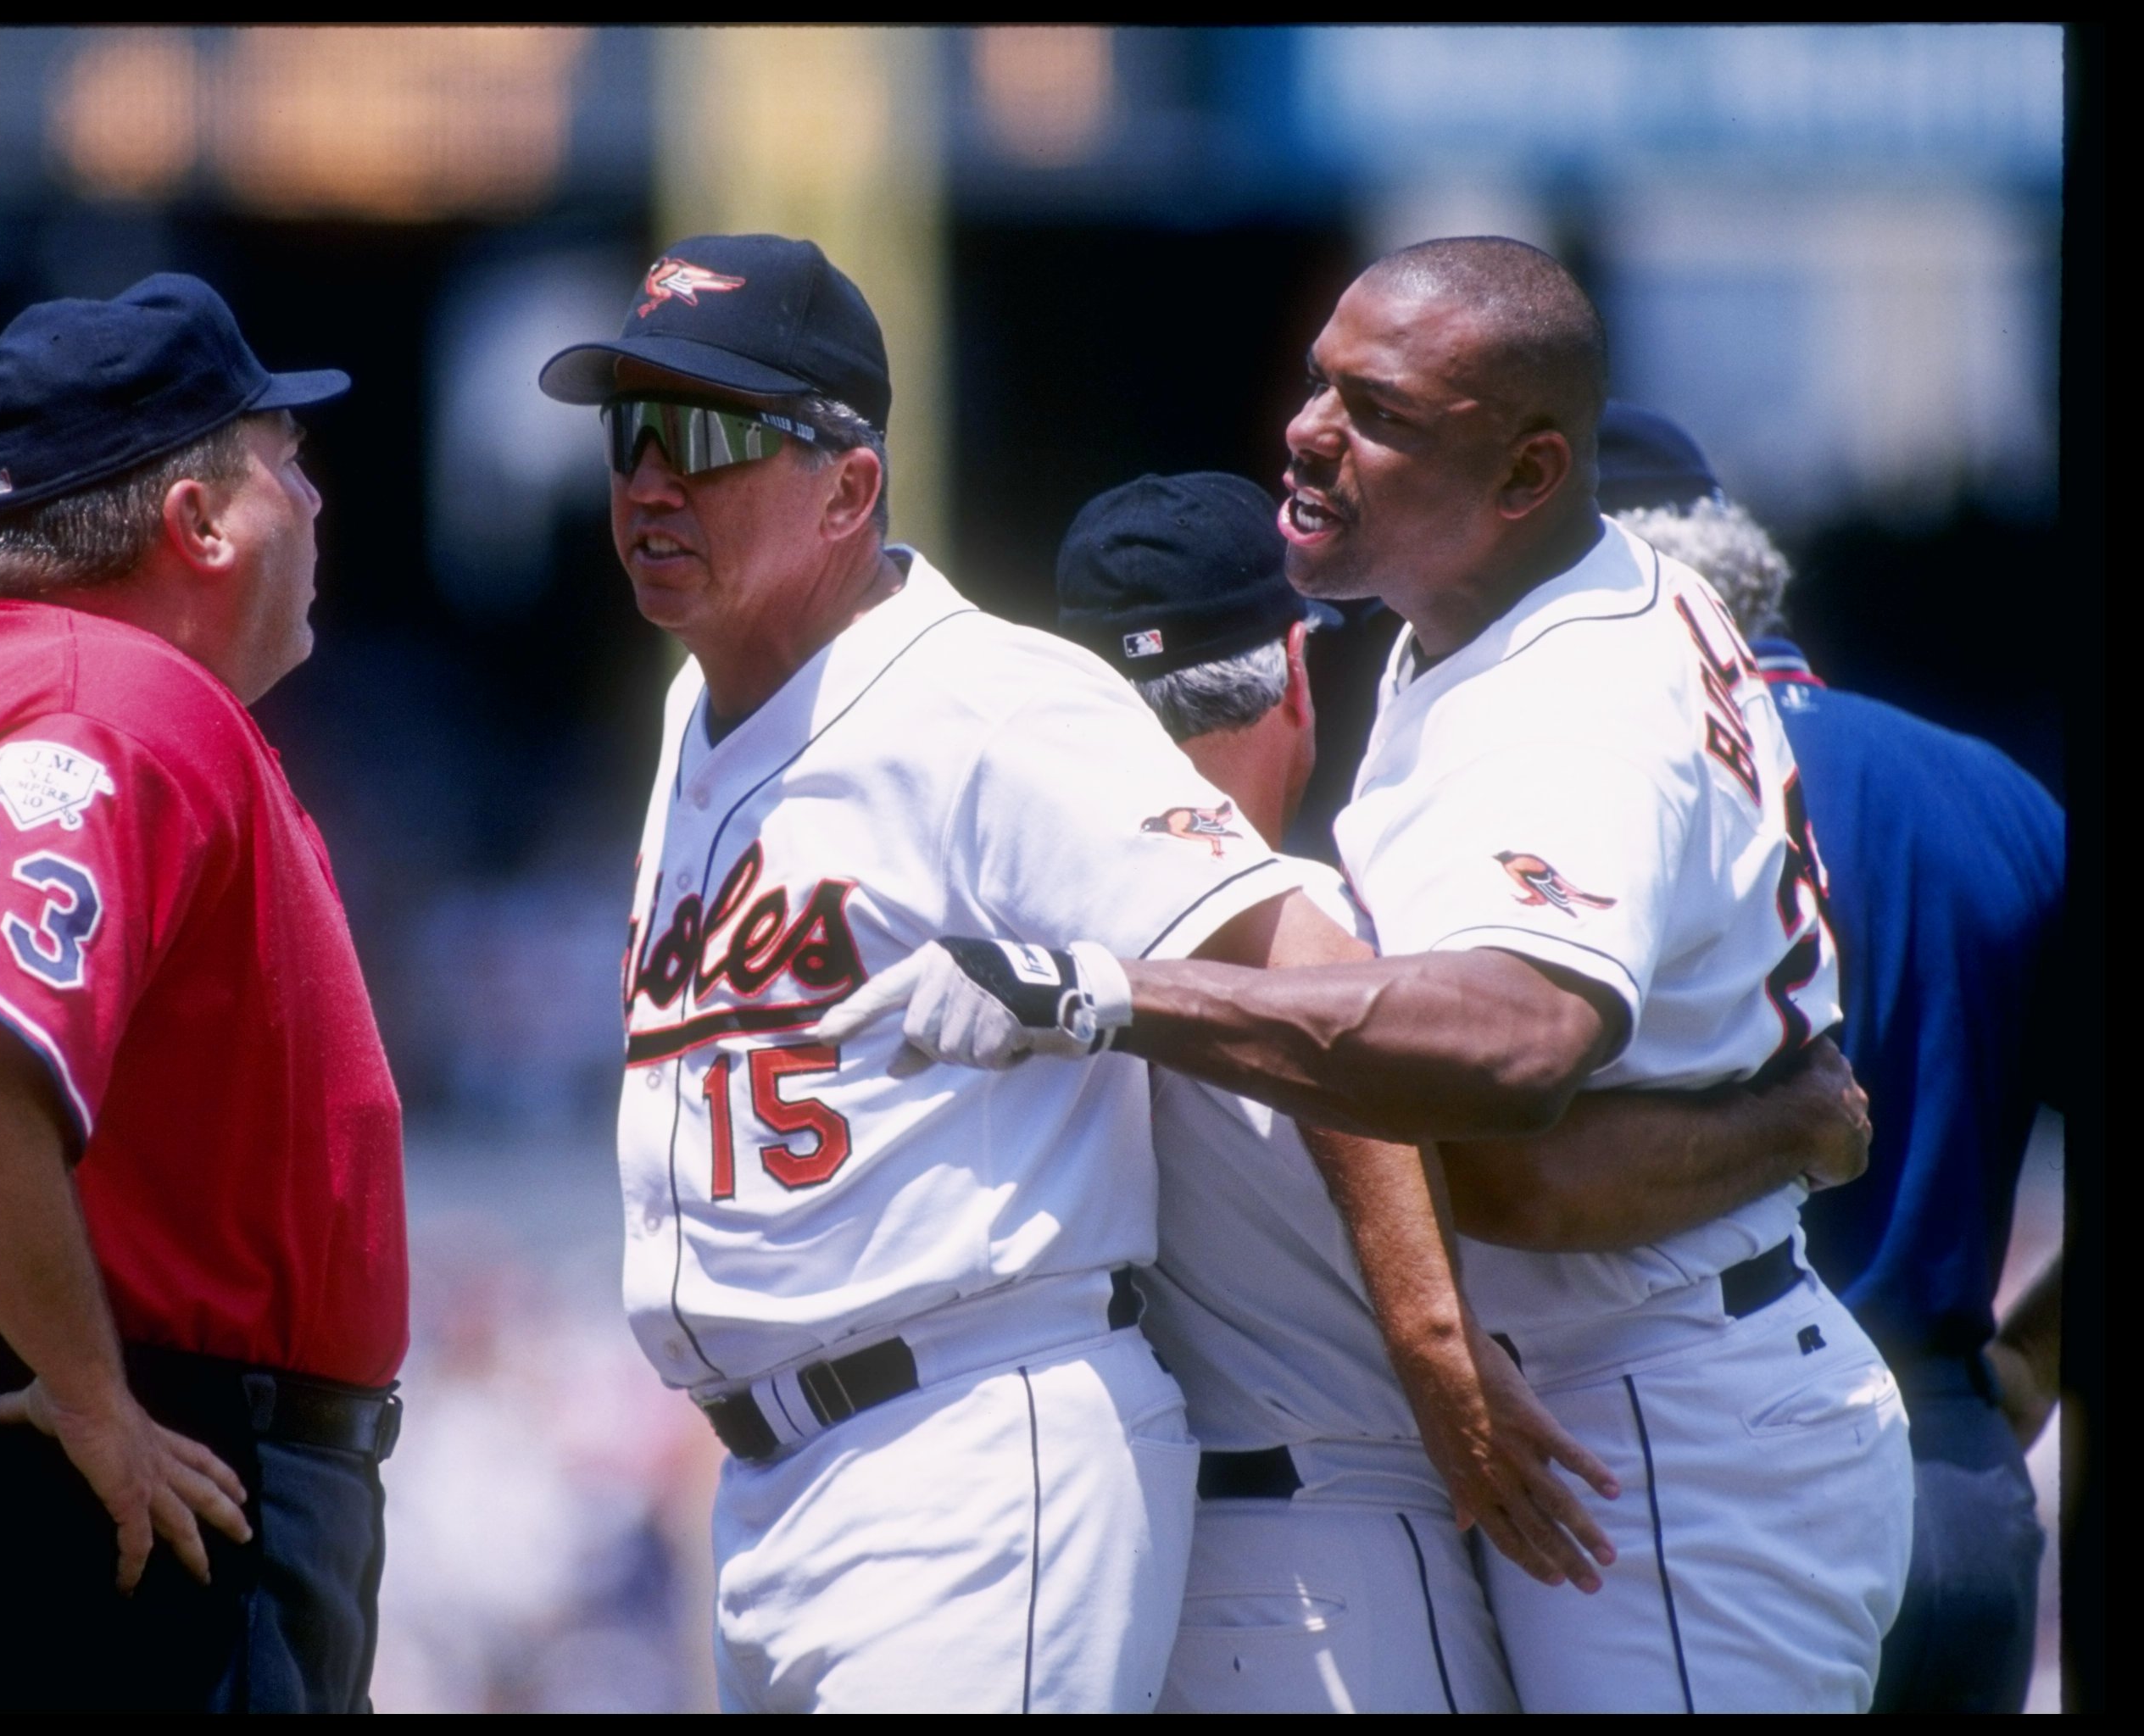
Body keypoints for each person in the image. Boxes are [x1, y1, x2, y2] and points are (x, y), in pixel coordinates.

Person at [833, 238, 1916, 1711]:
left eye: (1382, 411)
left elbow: (1513, 1061)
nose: (1310, 429)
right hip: (1645, 1380)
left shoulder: (1564, 704)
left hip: (1673, 1422)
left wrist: (1109, 990)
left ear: (1528, 476)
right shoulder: (1516, 608)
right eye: (1319, 381)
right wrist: (1784, 1126)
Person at [537, 234, 1615, 1713]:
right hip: (774, 1480)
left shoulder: (991, 698)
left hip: (966, 1440)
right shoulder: (694, 706)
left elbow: (1309, 964)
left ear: (851, 486)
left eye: (710, 435)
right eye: (631, 431)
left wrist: (1432, 1342)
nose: (652, 479)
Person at [1044, 470, 1875, 1713]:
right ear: (1291, 662)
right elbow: (1490, 1157)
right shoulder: (1321, 940)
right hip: (1350, 1544)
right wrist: (1795, 1125)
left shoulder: (1034, 918)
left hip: (1152, 1549)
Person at [0, 274, 407, 1711]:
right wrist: (92, 1399)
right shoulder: (105, 702)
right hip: (84, 1519)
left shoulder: (82, 691)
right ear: (196, 526)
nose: (314, 504)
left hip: (107, 1495)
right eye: (285, 463)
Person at [1599, 403, 2066, 1713]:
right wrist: (2028, 1360)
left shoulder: (1612, 811)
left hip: (1713, 1481)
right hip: (1951, 1474)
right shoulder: (1991, 790)